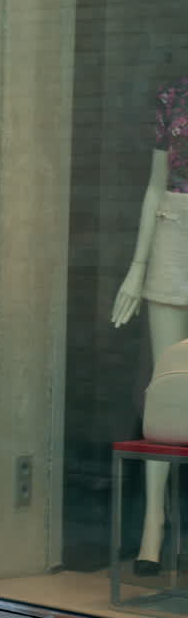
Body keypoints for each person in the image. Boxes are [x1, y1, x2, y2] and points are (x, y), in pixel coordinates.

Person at [110, 75, 188, 576]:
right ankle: (153, 528)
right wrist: (137, 269)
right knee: (166, 390)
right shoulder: (174, 94)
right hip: (172, 235)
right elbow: (155, 185)